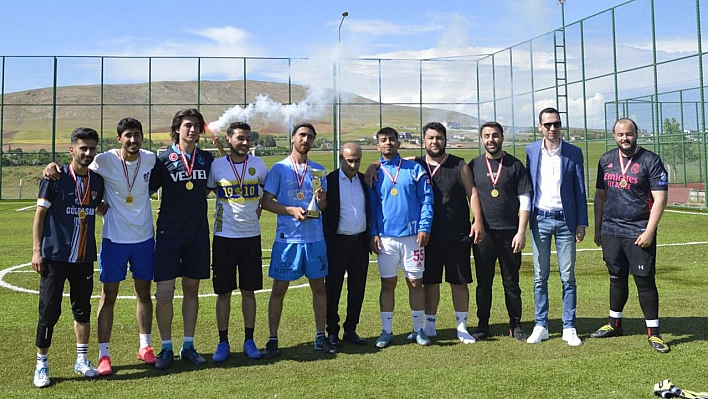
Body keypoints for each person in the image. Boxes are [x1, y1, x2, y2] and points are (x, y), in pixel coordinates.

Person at [42, 118, 158, 374]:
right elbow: (76, 169)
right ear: (119, 138)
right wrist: (52, 166)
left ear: (142, 137)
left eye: (137, 134)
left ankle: (145, 346)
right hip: (114, 239)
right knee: (109, 296)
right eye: (127, 135)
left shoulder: (150, 158)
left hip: (143, 238)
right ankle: (104, 354)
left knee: (143, 293)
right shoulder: (103, 160)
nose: (133, 139)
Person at [31, 127, 105, 387]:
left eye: (91, 148)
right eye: (82, 148)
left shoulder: (97, 181)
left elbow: (101, 208)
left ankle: (82, 360)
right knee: (49, 311)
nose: (87, 153)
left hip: (84, 257)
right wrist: (36, 250)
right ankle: (41, 364)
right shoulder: (54, 177)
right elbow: (39, 215)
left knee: (82, 310)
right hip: (55, 256)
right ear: (71, 149)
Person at [590, 118, 670, 353]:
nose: (625, 138)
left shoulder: (650, 160)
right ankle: (614, 324)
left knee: (644, 281)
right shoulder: (606, 160)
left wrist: (649, 230)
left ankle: (654, 333)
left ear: (637, 134)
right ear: (614, 136)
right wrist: (598, 229)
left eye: (629, 134)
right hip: (611, 231)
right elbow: (600, 196)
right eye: (620, 134)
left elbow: (660, 199)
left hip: (638, 231)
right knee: (616, 278)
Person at [260, 122, 337, 358]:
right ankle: (273, 339)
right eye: (302, 135)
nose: (306, 140)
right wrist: (290, 210)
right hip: (288, 240)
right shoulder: (279, 169)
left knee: (319, 289)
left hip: (314, 239)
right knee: (279, 290)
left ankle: (319, 337)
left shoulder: (318, 170)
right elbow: (266, 201)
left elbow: (322, 207)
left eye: (310, 137)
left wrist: (321, 199)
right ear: (292, 138)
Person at [149, 109, 215, 369]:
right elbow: (147, 189)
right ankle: (165, 348)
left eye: (196, 126)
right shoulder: (163, 159)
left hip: (197, 232)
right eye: (188, 125)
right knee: (164, 293)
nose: (192, 130)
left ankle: (188, 345)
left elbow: (216, 184)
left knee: (191, 289)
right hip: (168, 233)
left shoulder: (207, 159)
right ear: (177, 128)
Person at [412, 122, 484, 344]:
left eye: (439, 138)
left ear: (446, 140)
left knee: (459, 281)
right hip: (427, 235)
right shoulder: (415, 164)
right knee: (430, 281)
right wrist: (374, 166)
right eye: (431, 138)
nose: (435, 142)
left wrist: (478, 220)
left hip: (457, 233)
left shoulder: (459, 165)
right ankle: (430, 325)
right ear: (423, 141)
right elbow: (389, 161)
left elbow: (471, 192)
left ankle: (462, 326)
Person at [525, 107, 588, 346]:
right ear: (540, 126)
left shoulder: (573, 152)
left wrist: (581, 221)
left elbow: (580, 189)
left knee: (567, 277)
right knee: (540, 277)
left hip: (566, 221)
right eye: (548, 124)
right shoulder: (531, 151)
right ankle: (541, 325)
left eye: (556, 124)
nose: (552, 128)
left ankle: (569, 327)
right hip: (539, 219)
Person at [206, 122, 268, 361]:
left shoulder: (258, 164)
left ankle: (249, 340)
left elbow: (270, 190)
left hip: (251, 237)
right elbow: (206, 191)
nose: (245, 142)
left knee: (248, 291)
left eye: (248, 138)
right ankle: (223, 343)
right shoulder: (217, 166)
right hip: (224, 237)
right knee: (223, 292)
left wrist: (263, 202)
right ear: (229, 139)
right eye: (240, 138)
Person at [369, 127, 434, 348]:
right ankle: (386, 331)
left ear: (399, 143)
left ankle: (418, 330)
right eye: (383, 140)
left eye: (392, 139)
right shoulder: (375, 173)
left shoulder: (415, 169)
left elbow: (426, 200)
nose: (388, 143)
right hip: (386, 238)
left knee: (415, 282)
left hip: (413, 237)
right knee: (388, 284)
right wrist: (374, 233)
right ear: (378, 145)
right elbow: (372, 205)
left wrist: (424, 227)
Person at [469, 121, 532, 342]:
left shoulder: (515, 166)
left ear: (502, 137)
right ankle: (482, 325)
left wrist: (521, 231)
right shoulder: (474, 165)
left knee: (511, 283)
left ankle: (516, 325)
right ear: (481, 139)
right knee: (483, 283)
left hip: (510, 233)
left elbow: (525, 201)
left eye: (495, 135)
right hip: (483, 234)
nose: (491, 140)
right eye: (486, 136)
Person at [322, 142, 370, 348]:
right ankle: (332, 331)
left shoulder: (364, 180)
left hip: (360, 243)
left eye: (357, 160)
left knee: (357, 288)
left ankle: (351, 329)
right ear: (341, 159)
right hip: (337, 243)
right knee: (333, 289)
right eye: (350, 160)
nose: (354, 164)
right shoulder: (329, 181)